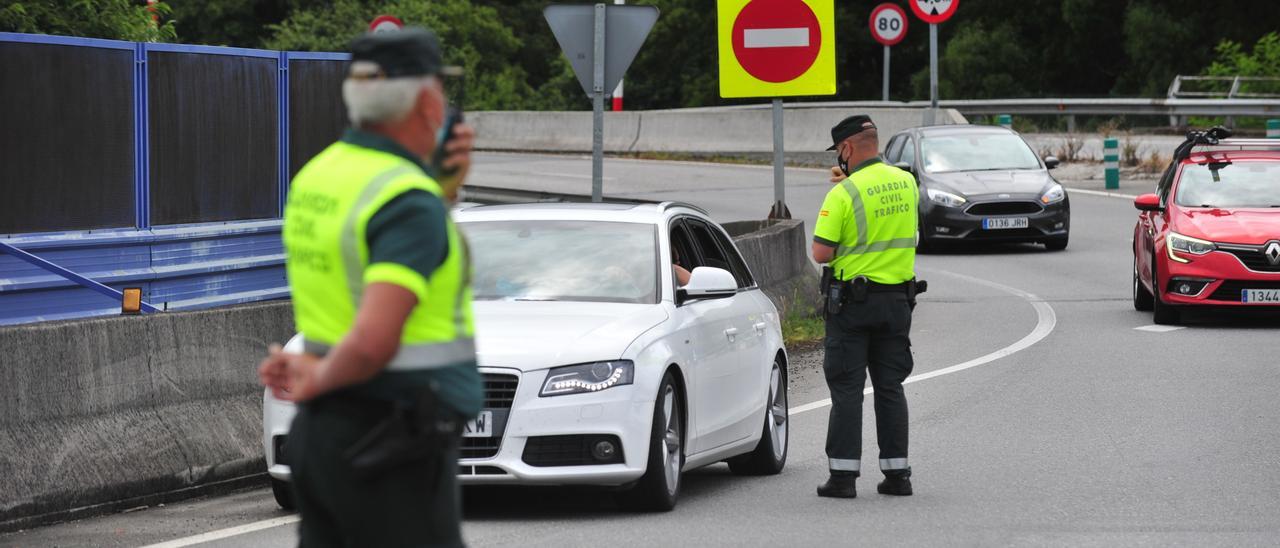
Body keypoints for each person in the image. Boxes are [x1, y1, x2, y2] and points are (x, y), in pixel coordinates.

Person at [258, 27, 480, 547]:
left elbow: (349, 290)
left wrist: (440, 193)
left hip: (326, 436)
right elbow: (375, 338)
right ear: (427, 103)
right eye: (441, 94)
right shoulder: (407, 200)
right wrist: (318, 379)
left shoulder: (318, 176)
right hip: (391, 446)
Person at [812, 114, 920, 499]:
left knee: (847, 389)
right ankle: (897, 476)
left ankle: (843, 478)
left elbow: (821, 252)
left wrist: (847, 189)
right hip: (897, 303)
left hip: (852, 308)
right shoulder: (906, 183)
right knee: (890, 387)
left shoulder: (842, 194)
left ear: (846, 148)